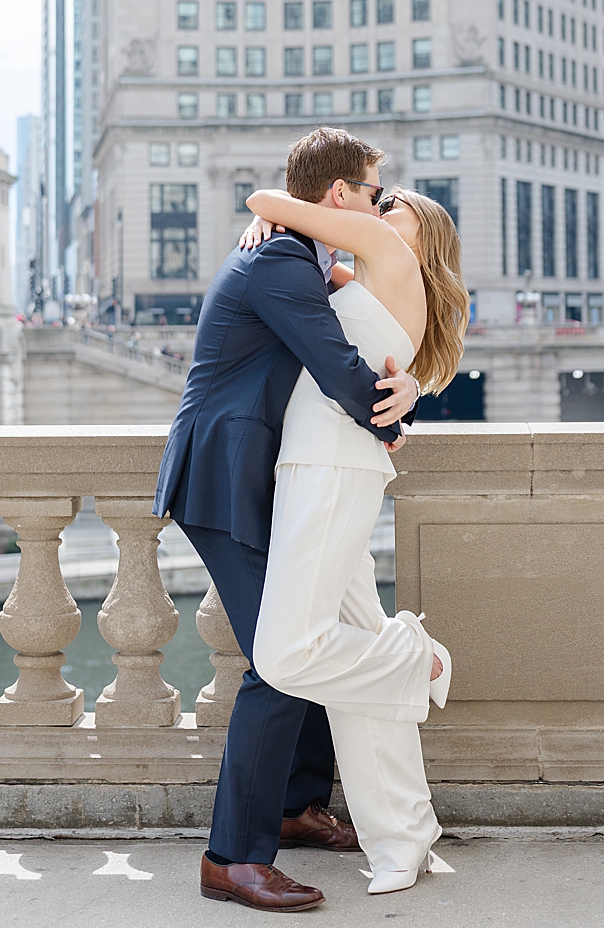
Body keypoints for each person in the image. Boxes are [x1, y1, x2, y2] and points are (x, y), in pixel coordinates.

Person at [152, 127, 421, 913]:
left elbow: (373, 332)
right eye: (372, 192)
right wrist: (391, 419)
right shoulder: (277, 259)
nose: (377, 204)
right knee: (279, 658)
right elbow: (337, 358)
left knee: (292, 633)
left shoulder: (296, 253)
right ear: (339, 194)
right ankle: (232, 858)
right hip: (223, 478)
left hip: (250, 474)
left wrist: (406, 393)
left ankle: (295, 805)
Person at [240, 171, 468, 895]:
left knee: (286, 652)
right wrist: (274, 234)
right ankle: (404, 836)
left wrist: (269, 219)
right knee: (350, 669)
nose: (375, 204)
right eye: (372, 195)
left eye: (387, 201)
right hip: (323, 462)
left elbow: (266, 200)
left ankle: (419, 658)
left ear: (417, 231)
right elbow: (303, 256)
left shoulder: (388, 253)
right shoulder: (367, 271)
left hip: (330, 465)